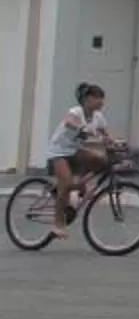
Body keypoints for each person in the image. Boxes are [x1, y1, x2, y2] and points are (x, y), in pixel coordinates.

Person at [43, 84, 122, 239]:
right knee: (65, 185)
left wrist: (115, 143)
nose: (101, 102)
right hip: (59, 151)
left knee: (101, 160)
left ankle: (80, 183)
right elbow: (68, 121)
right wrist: (81, 128)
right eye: (97, 98)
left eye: (102, 98)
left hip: (75, 150)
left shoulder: (98, 117)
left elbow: (105, 136)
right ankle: (58, 224)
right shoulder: (76, 111)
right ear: (86, 99)